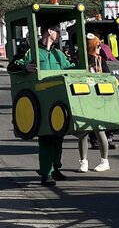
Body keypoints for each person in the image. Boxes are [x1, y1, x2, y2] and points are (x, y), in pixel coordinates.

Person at [7, 22, 76, 186]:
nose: (59, 34)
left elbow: (70, 68)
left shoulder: (59, 54)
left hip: (57, 101)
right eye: (57, 31)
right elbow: (12, 66)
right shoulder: (31, 52)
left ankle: (56, 168)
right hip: (41, 101)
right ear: (48, 31)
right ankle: (46, 172)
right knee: (46, 138)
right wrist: (26, 67)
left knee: (58, 136)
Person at [76, 34, 112, 172]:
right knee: (83, 131)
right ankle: (83, 161)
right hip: (84, 98)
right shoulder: (81, 61)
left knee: (100, 130)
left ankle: (104, 160)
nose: (99, 49)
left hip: (98, 99)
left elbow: (108, 77)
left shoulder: (101, 61)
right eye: (97, 46)